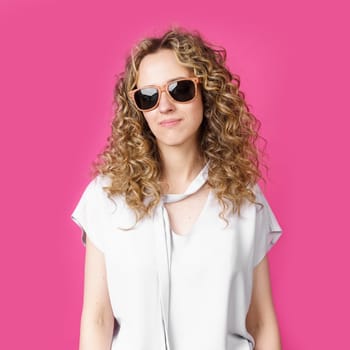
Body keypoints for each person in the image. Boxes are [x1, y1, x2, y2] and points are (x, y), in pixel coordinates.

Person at [72, 28, 283, 350]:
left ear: (206, 93)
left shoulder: (244, 198)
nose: (165, 106)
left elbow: (261, 321)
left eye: (180, 89)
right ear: (137, 108)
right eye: (148, 96)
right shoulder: (106, 197)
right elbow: (97, 318)